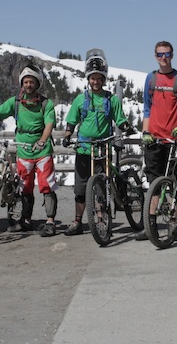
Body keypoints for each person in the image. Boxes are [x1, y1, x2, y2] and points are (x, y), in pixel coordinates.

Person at [0, 64, 58, 237]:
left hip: (42, 151)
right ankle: (25, 221)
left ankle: (50, 222)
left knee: (46, 186)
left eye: (31, 82)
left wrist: (43, 140)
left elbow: (49, 124)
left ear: (38, 83)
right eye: (25, 82)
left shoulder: (46, 104)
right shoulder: (16, 102)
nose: (28, 85)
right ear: (22, 83)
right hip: (23, 151)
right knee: (24, 187)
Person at [60, 50, 135, 236]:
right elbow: (71, 121)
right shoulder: (81, 99)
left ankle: (101, 220)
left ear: (103, 79)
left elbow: (119, 119)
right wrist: (68, 134)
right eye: (92, 78)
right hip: (84, 149)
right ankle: (77, 222)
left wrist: (127, 127)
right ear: (88, 79)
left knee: (101, 187)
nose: (95, 81)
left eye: (98, 78)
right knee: (80, 188)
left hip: (103, 148)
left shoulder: (111, 100)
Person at [135, 40, 177, 241]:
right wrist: (145, 132)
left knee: (173, 185)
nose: (164, 58)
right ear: (155, 56)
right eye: (160, 54)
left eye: (167, 54)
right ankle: (151, 225)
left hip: (174, 142)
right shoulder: (151, 79)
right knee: (154, 184)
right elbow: (147, 109)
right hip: (153, 140)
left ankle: (174, 225)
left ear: (172, 55)